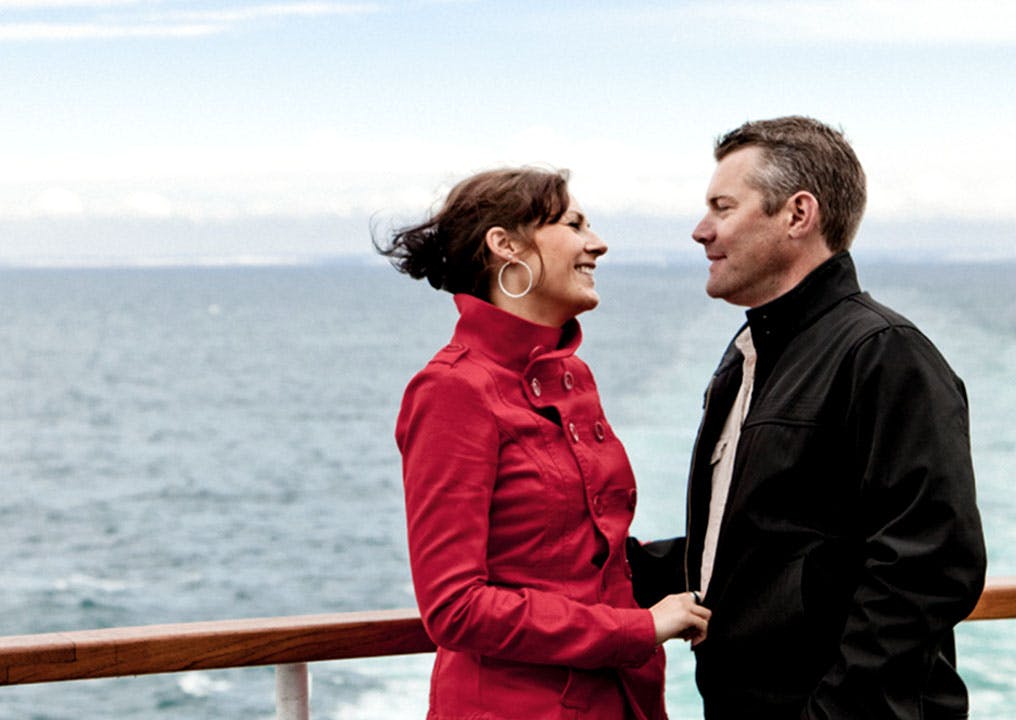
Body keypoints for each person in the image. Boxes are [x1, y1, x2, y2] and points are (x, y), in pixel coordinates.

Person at [629, 116, 987, 719]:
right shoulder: (747, 358)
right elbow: (761, 544)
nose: (700, 230)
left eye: (722, 207)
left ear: (798, 214)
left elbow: (929, 563)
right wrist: (601, 565)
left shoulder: (884, 352)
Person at [379, 167, 710, 720]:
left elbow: (587, 555)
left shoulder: (571, 375)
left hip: (621, 699)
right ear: (505, 245)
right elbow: (454, 608)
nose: (597, 244)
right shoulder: (453, 390)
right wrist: (639, 627)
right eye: (574, 225)